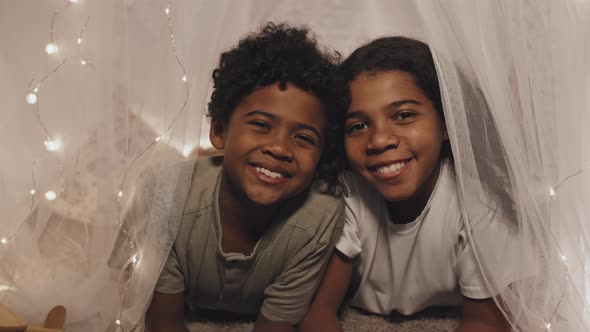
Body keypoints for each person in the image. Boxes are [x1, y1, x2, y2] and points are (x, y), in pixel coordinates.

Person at [300, 36, 517, 332]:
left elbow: (485, 323)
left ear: (445, 124)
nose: (379, 140)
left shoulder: (478, 204)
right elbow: (317, 313)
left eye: (403, 115)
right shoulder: (347, 193)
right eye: (358, 126)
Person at [145, 22, 344, 332]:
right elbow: (162, 323)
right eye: (261, 125)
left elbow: (274, 327)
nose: (279, 148)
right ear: (219, 130)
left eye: (303, 138)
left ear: (321, 158)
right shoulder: (167, 197)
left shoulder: (318, 218)